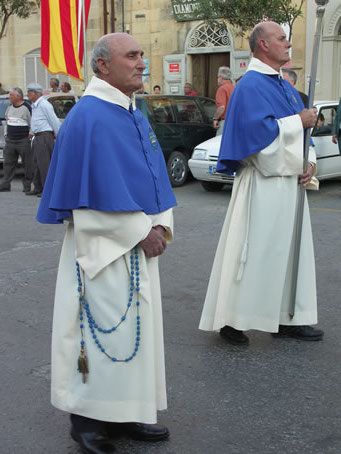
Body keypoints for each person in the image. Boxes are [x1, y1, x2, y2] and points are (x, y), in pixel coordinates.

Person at [37, 32, 176, 454]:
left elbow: (154, 177)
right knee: (98, 334)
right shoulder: (88, 118)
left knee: (135, 334)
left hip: (139, 244)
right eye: (131, 56)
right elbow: (87, 202)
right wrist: (142, 232)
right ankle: (88, 422)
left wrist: (162, 225)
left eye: (141, 55)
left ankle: (127, 411)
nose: (141, 63)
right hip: (103, 249)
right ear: (102, 66)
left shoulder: (133, 111)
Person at [199, 21, 324, 345]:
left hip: (290, 186)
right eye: (282, 39)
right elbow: (256, 139)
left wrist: (308, 161)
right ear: (263, 45)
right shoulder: (250, 86)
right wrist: (298, 121)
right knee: (253, 254)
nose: (288, 44)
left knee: (290, 253)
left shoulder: (282, 84)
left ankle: (287, 317)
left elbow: (304, 134)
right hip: (262, 184)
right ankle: (232, 318)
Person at [26, 83, 60, 197]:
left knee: (44, 164)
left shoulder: (44, 105)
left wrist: (59, 135)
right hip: (38, 136)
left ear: (35, 93)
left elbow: (54, 120)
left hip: (44, 137)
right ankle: (38, 187)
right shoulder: (35, 105)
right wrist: (31, 132)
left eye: (29, 92)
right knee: (36, 163)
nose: (27, 94)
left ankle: (47, 190)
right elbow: (36, 120)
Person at [0, 87, 33, 193]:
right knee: (8, 164)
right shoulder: (9, 108)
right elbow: (7, 121)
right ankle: (5, 184)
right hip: (10, 141)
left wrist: (31, 134)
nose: (10, 97)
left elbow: (32, 122)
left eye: (11, 95)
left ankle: (27, 185)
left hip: (23, 140)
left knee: (27, 164)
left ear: (18, 96)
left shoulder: (27, 107)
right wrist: (6, 134)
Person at [213, 66, 235, 135]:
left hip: (225, 122)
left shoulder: (222, 89)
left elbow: (221, 107)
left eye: (217, 77)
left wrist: (215, 119)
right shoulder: (234, 87)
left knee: (219, 143)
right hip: (234, 121)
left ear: (220, 77)